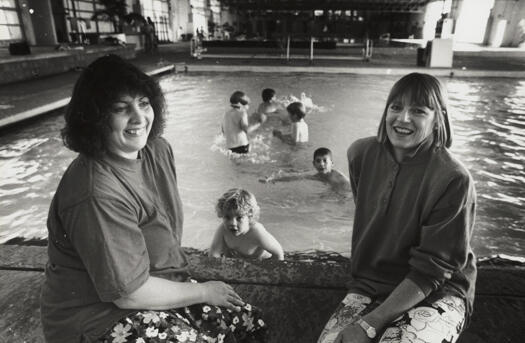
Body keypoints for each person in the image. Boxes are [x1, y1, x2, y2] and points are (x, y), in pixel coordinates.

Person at [40, 55, 267, 343]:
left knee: (250, 324)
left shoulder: (157, 150)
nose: (139, 117)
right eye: (121, 109)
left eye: (143, 103)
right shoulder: (95, 191)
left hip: (156, 284)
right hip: (97, 316)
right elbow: (128, 294)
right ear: (95, 119)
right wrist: (203, 291)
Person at [318, 73, 477, 343]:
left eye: (418, 111)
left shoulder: (453, 179)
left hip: (437, 292)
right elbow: (373, 216)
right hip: (369, 284)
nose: (403, 119)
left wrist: (370, 325)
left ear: (438, 118)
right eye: (396, 107)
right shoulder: (360, 154)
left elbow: (434, 270)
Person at [209, 188, 284, 261]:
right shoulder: (223, 230)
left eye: (239, 218)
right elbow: (213, 254)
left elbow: (278, 253)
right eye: (227, 217)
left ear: (250, 215)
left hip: (261, 261)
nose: (232, 223)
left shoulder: (257, 232)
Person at [260, 147, 350, 193]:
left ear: (332, 164)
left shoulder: (337, 176)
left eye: (325, 161)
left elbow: (350, 188)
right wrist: (273, 179)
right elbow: (296, 177)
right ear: (314, 164)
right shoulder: (318, 176)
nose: (321, 164)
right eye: (318, 161)